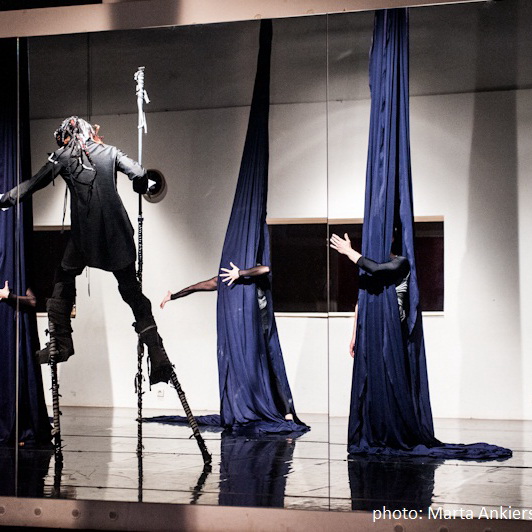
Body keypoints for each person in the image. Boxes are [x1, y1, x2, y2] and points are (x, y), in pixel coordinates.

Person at [0, 116, 173, 385]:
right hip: (118, 235)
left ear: (68, 135)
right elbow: (139, 174)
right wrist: (141, 186)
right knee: (131, 291)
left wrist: (6, 199)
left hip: (86, 237)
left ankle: (61, 343)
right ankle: (157, 353)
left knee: (63, 276)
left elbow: (35, 183)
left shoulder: (63, 156)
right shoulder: (110, 152)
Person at [161, 262, 297, 423]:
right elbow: (198, 286)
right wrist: (173, 296)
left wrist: (240, 273)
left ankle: (286, 411)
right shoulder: (227, 280)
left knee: (270, 369)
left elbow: (265, 269)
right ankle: (250, 409)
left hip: (262, 330)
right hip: (247, 331)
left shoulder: (254, 276)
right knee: (247, 370)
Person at [330, 232, 410, 357]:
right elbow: (361, 302)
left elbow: (376, 269)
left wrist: (349, 251)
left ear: (392, 239)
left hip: (392, 331)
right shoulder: (368, 270)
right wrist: (355, 335)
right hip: (371, 328)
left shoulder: (401, 262)